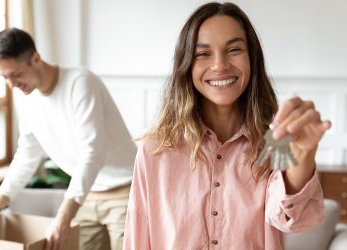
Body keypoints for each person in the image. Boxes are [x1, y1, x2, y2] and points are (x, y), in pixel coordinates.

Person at [123, 2, 331, 250]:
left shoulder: (274, 140)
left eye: (234, 49)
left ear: (252, 58)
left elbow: (294, 219)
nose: (220, 65)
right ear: (186, 64)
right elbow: (137, 240)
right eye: (203, 53)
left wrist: (303, 154)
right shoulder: (154, 151)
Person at [0, 28, 136, 250]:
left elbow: (92, 152)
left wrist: (64, 216)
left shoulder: (80, 83)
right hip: (85, 196)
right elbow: (27, 155)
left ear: (35, 58)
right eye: (5, 77)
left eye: (16, 74)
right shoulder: (27, 98)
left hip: (125, 193)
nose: (12, 84)